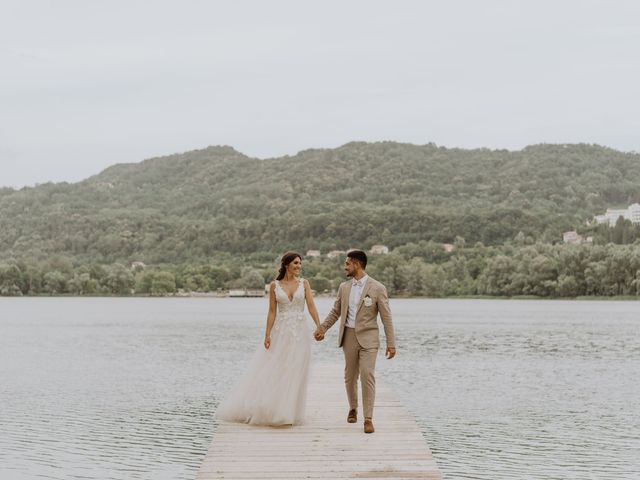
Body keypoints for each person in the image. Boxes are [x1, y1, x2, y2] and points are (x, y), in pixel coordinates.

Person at [216, 251, 322, 426]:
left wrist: (319, 325)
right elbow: (272, 311)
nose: (299, 266)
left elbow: (311, 305)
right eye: (296, 263)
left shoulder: (304, 283)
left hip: (300, 332)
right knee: (280, 369)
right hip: (280, 332)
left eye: (300, 263)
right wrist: (267, 334)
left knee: (296, 370)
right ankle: (275, 408)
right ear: (287, 264)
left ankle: (290, 412)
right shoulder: (275, 286)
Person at [314, 249, 396, 434]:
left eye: (347, 264)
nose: (345, 267)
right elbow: (336, 312)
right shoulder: (344, 287)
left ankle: (368, 418)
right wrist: (322, 328)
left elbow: (386, 317)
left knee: (367, 375)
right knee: (350, 377)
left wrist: (391, 343)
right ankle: (353, 408)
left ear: (356, 264)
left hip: (369, 339)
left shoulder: (377, 288)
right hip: (348, 336)